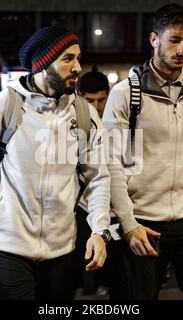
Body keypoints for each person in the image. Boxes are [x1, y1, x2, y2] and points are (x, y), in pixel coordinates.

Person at [0, 26, 111, 300]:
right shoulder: (1, 107)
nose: (77, 67)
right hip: (8, 246)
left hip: (62, 249)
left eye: (78, 58)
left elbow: (98, 177)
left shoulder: (84, 114)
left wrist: (100, 230)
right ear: (43, 64)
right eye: (67, 59)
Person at [103, 3, 183, 299]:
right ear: (154, 39)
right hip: (142, 223)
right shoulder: (126, 93)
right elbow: (110, 164)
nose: (182, 49)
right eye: (174, 40)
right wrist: (129, 224)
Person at [75, 71, 115, 296]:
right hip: (81, 206)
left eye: (101, 100)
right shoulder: (74, 123)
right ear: (80, 96)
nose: (97, 106)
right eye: (90, 101)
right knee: (85, 259)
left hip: (110, 204)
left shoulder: (116, 122)